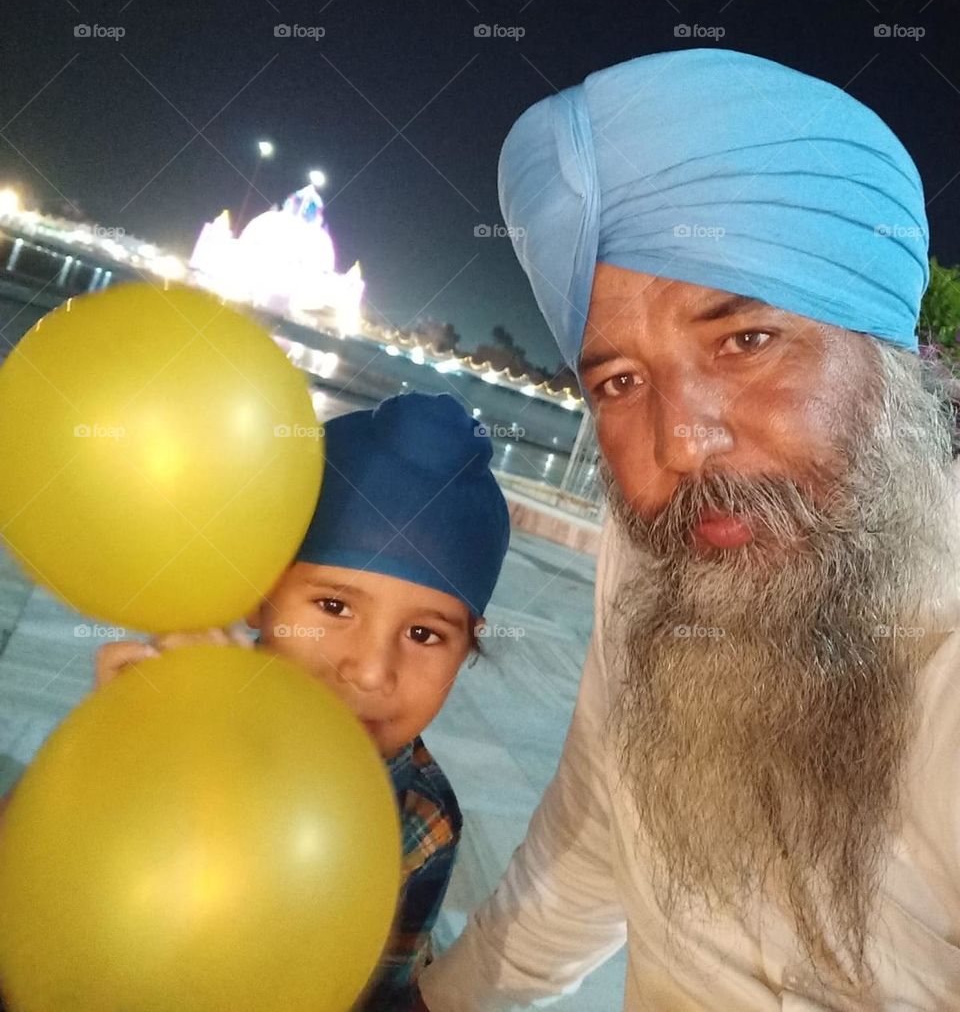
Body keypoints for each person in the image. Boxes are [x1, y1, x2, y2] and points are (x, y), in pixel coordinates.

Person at [416, 49, 960, 1011]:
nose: (681, 441)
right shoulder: (678, 540)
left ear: (889, 360)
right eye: (619, 381)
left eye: (745, 340)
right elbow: (600, 829)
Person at [95, 391, 511, 1011]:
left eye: (425, 634)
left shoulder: (421, 821)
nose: (370, 671)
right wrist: (116, 751)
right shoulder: (171, 712)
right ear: (260, 594)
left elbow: (377, 997)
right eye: (334, 607)